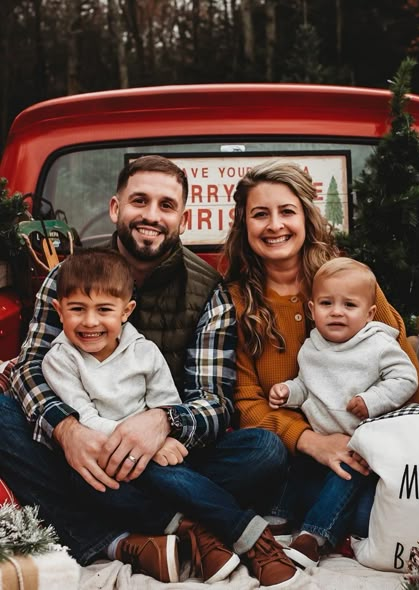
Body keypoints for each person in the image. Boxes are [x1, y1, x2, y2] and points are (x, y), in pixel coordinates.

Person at [1, 155, 294, 586]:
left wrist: (162, 424)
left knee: (264, 451)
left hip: (169, 454)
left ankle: (124, 537)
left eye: (166, 205)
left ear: (183, 217)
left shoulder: (209, 290)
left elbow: (214, 402)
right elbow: (29, 368)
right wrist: (68, 432)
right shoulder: (67, 276)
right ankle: (194, 525)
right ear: (117, 208)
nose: (151, 216)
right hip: (81, 448)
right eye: (140, 201)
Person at [41, 246, 298, 586]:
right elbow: (84, 418)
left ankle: (186, 525)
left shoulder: (145, 352)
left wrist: (162, 438)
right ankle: (244, 535)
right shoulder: (59, 359)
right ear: (59, 310)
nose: (90, 321)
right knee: (88, 478)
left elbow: (168, 404)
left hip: (163, 457)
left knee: (262, 446)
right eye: (77, 309)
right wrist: (144, 448)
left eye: (104, 309)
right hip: (106, 460)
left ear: (126, 311)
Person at [220, 160, 419, 568]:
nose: (275, 224)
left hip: (363, 450)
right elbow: (245, 401)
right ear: (244, 225)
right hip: (289, 459)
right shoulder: (236, 302)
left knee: (371, 514)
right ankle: (297, 521)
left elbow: (402, 366)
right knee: (269, 459)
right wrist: (312, 442)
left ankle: (318, 529)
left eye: (287, 211)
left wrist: (396, 444)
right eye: (260, 214)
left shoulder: (346, 281)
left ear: (306, 217)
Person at [268, 256, 418, 566]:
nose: (337, 312)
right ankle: (280, 519)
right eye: (326, 303)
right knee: (295, 465)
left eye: (349, 305)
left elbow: (406, 378)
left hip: (359, 448)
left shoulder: (377, 345)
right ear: (312, 310)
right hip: (320, 441)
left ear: (369, 313)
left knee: (345, 477)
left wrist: (372, 399)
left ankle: (315, 536)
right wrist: (288, 392)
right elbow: (306, 385)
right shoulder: (312, 346)